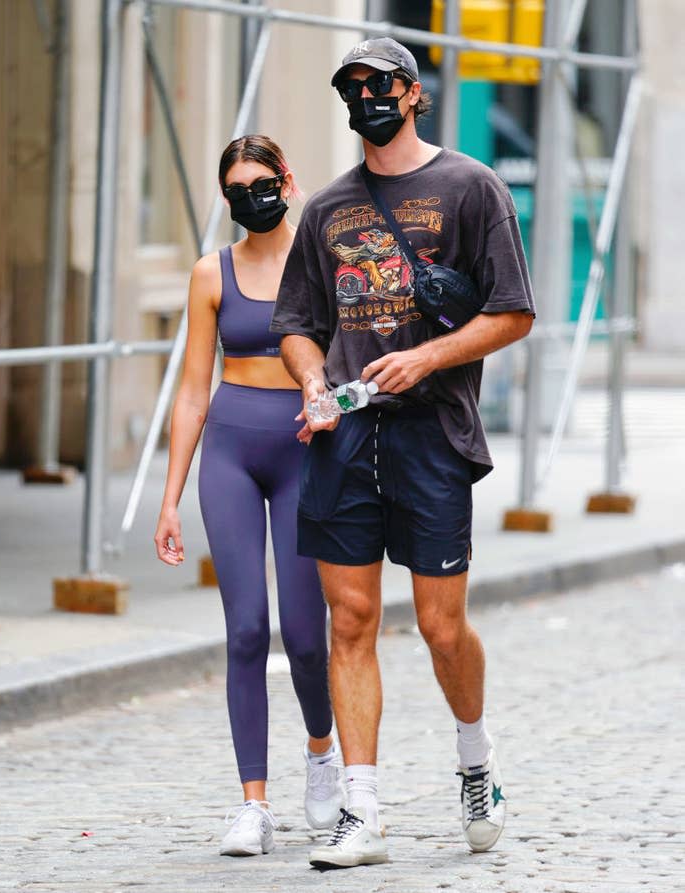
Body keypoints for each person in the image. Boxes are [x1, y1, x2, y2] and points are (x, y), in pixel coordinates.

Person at [271, 39, 535, 869]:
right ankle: (363, 810)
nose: (366, 98)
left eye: (379, 85)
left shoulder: (469, 186)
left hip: (433, 432)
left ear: (412, 93)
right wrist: (315, 382)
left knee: (438, 625)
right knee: (349, 620)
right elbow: (296, 325)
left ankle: (476, 759)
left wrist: (426, 355)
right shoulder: (326, 209)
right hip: (346, 435)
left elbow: (514, 312)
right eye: (351, 88)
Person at [154, 135, 345, 858]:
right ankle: (253, 803)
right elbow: (192, 393)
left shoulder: (324, 262)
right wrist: (169, 500)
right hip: (231, 451)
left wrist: (330, 404)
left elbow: (348, 361)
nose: (250, 198)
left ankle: (322, 751)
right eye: (236, 189)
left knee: (303, 637)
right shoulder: (212, 273)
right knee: (243, 631)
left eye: (260, 183)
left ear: (287, 180)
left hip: (304, 456)